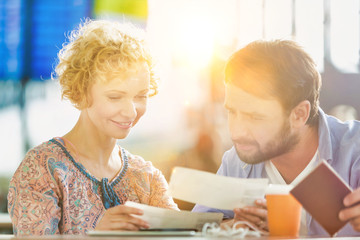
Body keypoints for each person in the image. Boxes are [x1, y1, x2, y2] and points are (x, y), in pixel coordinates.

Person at [7, 19, 178, 236]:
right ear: (81, 92)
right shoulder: (42, 169)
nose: (131, 112)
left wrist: (225, 229)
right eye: (115, 97)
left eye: (140, 96)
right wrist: (93, 234)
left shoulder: (147, 178)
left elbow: (182, 233)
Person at [192, 39, 360, 237]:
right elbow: (197, 228)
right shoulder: (238, 161)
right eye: (232, 112)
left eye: (255, 117)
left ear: (299, 114)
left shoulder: (354, 151)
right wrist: (236, 225)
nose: (237, 132)